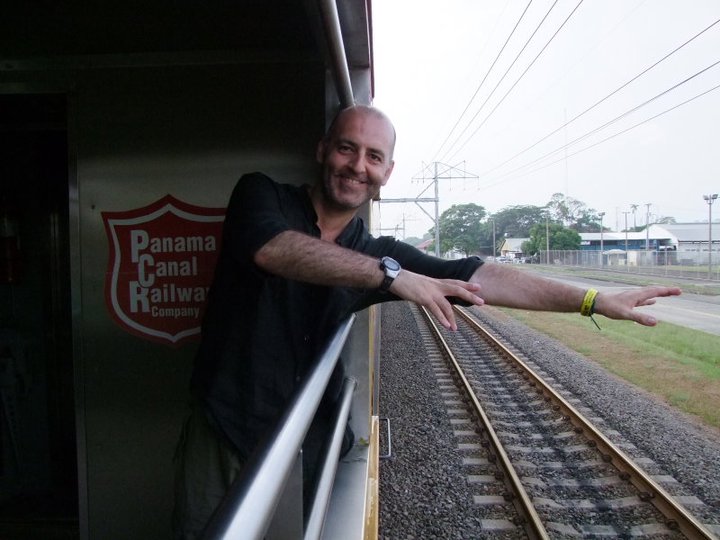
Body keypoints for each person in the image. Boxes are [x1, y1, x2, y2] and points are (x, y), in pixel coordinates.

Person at [172, 104, 681, 538]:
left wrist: (592, 299)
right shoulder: (261, 194)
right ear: (323, 150)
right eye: (347, 148)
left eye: (374, 157)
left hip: (313, 441)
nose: (358, 166)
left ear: (388, 172)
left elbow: (478, 276)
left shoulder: (375, 249)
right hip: (226, 430)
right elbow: (272, 248)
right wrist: (391, 276)